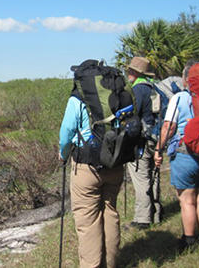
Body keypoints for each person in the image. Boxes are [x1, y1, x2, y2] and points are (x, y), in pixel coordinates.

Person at [154, 60, 199, 252]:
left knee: (187, 200)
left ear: (186, 80)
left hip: (185, 155)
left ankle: (188, 240)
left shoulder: (180, 98)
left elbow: (169, 126)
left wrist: (159, 149)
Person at [59, 82, 123, 268]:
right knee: (109, 212)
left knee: (88, 220)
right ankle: (110, 263)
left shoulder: (77, 100)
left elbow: (67, 132)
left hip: (87, 167)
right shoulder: (115, 94)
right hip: (115, 162)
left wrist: (63, 154)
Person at [125, 56, 162, 229]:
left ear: (136, 73)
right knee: (153, 176)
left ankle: (142, 219)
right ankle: (156, 213)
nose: (128, 73)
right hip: (155, 138)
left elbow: (134, 115)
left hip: (142, 141)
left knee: (141, 177)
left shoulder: (138, 89)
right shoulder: (151, 87)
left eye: (131, 70)